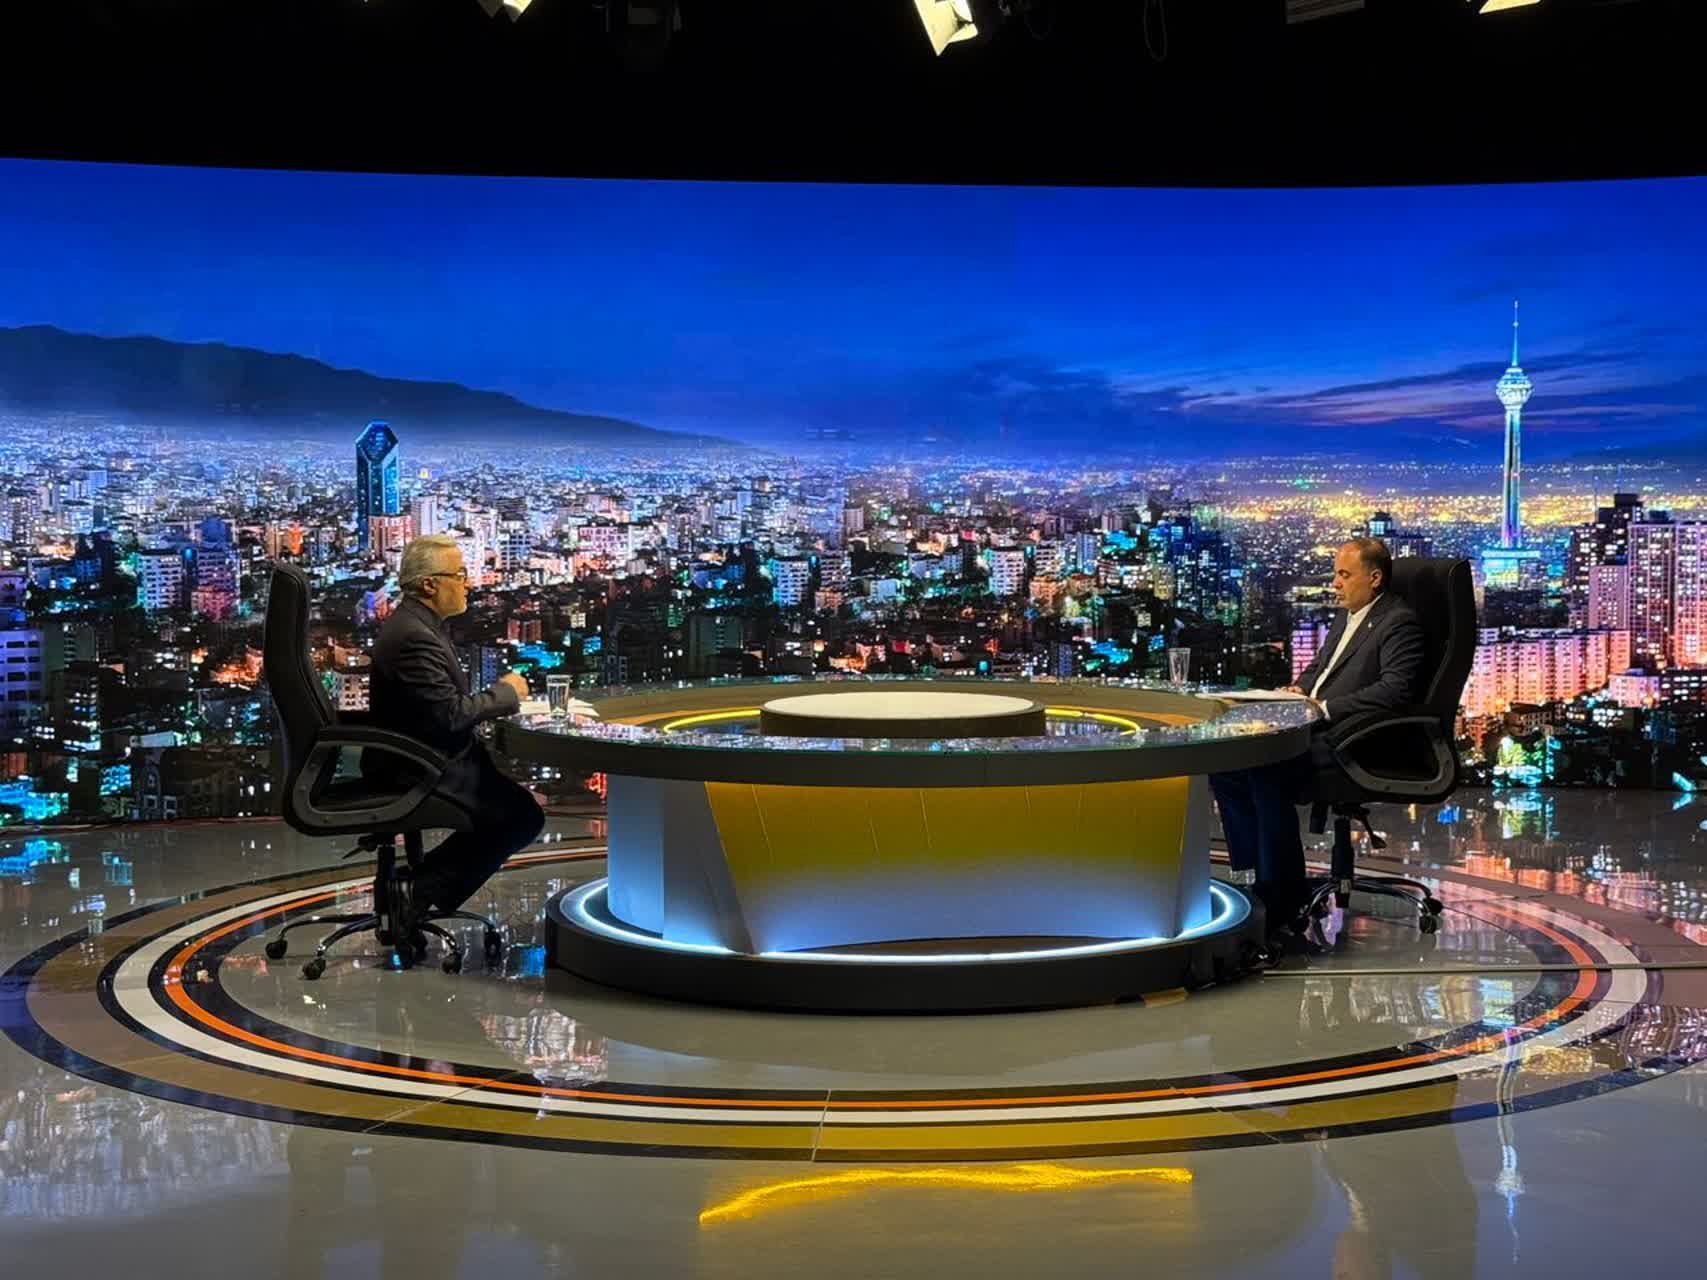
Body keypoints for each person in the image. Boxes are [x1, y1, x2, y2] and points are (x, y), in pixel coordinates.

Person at [1209, 537, 1424, 935]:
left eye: (1344, 575)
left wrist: (1323, 707)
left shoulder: (1398, 622)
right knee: (1226, 765)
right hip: (1317, 726)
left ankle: (1280, 899)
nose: (1335, 584)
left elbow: (1396, 691)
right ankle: (1253, 878)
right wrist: (1298, 690)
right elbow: (1321, 669)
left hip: (1353, 739)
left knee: (1264, 769)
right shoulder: (1347, 616)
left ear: (1375, 578)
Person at [365, 534, 544, 932]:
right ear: (430, 584)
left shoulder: (417, 625)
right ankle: (415, 891)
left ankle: (417, 888)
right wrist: (506, 694)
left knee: (514, 809)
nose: (468, 583)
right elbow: (449, 715)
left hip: (424, 756)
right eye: (460, 574)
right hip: (420, 768)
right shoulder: (413, 636)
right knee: (521, 816)